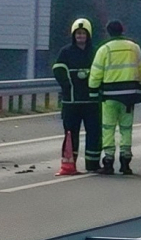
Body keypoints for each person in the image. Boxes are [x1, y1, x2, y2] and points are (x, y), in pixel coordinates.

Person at [89, 19, 141, 175]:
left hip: (109, 97)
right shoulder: (134, 48)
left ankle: (109, 162)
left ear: (108, 32)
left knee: (108, 128)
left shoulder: (104, 50)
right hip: (129, 97)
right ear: (122, 30)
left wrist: (92, 90)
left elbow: (96, 73)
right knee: (126, 129)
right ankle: (126, 162)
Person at [52, 18, 101, 172]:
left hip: (92, 102)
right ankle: (69, 164)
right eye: (78, 34)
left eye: (83, 33)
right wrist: (68, 84)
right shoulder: (65, 52)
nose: (80, 36)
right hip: (71, 102)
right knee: (70, 133)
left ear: (89, 35)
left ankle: (92, 164)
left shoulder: (95, 52)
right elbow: (58, 69)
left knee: (94, 132)